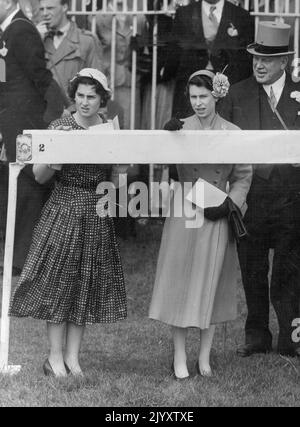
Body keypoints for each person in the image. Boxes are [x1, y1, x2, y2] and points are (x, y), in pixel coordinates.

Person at [9, 68, 127, 377]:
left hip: (95, 210)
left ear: (103, 100)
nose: (85, 102)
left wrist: (120, 173)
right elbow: (38, 176)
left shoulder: (109, 129)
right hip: (64, 207)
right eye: (80, 96)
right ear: (73, 97)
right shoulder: (60, 126)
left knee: (83, 286)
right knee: (60, 285)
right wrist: (56, 152)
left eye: (92, 97)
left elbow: (117, 177)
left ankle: (73, 358)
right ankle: (54, 357)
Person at [149, 69, 252, 379]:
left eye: (203, 96)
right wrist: (169, 138)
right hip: (185, 207)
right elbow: (160, 160)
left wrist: (230, 203)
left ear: (216, 96)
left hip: (217, 209)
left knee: (213, 283)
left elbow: (244, 174)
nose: (197, 103)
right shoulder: (179, 127)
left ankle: (204, 358)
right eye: (193, 97)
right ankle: (179, 357)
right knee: (180, 281)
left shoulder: (232, 130)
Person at [219, 21, 300, 357]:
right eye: (255, 58)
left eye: (269, 59)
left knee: (289, 268)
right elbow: (216, 135)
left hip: (292, 197)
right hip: (250, 197)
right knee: (252, 268)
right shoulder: (236, 94)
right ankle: (256, 336)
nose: (260, 65)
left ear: (285, 61)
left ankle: (289, 336)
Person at [0, 0, 64, 274]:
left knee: (28, 185)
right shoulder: (9, 30)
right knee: (14, 186)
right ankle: (17, 256)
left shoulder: (20, 30)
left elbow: (40, 77)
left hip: (24, 122)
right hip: (12, 121)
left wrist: (47, 119)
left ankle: (26, 258)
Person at [161, 0, 254, 118]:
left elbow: (246, 62)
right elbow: (175, 55)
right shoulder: (184, 13)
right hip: (191, 90)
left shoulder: (241, 15)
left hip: (228, 92)